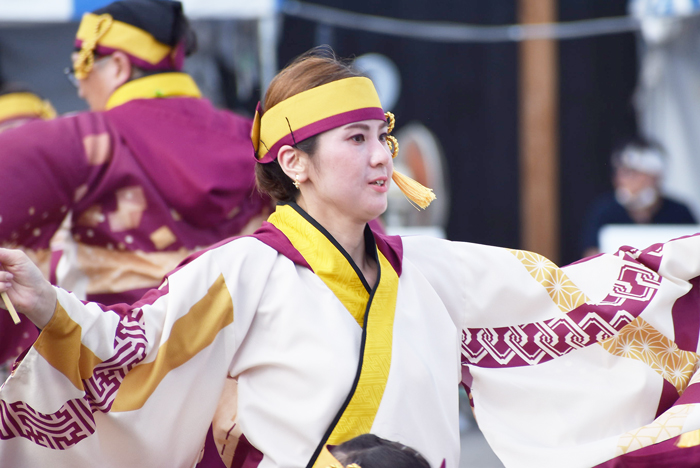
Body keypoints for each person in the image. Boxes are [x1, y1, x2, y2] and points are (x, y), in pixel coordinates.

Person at [2, 49, 700, 468]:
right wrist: (47, 305)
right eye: (356, 140)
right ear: (295, 162)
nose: (380, 157)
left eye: (381, 137)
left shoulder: (435, 271)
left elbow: (580, 299)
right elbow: (132, 351)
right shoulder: (244, 270)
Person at [0, 0, 270, 307]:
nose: (80, 89)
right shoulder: (255, 136)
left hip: (126, 346)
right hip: (242, 339)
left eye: (80, 69)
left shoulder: (86, 140)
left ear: (117, 66)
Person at [581, 138, 696, 257]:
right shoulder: (605, 211)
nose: (620, 180)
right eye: (619, 172)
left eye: (630, 172)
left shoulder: (680, 213)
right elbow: (591, 257)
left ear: (655, 176)